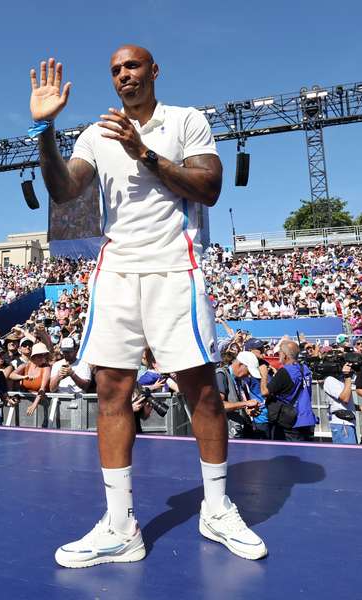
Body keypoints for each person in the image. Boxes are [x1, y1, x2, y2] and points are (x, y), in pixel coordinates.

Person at [31, 46, 265, 567]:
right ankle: (119, 526)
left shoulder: (186, 121)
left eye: (132, 66)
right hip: (115, 269)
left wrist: (144, 153)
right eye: (115, 70)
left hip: (174, 266)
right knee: (112, 390)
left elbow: (208, 188)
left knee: (200, 390)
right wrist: (45, 132)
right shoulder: (95, 134)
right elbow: (65, 191)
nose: (123, 75)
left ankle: (218, 508)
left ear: (153, 71)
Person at [266, 340, 317, 441]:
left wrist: (264, 375)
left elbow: (265, 392)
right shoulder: (305, 369)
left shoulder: (285, 371)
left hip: (291, 422)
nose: (278, 354)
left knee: (288, 455)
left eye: (280, 352)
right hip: (307, 418)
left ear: (285, 355)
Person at [324, 362, 357, 444]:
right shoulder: (330, 380)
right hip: (341, 424)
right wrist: (347, 376)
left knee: (352, 454)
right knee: (347, 455)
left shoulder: (342, 380)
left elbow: (343, 404)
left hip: (347, 423)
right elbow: (345, 398)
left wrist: (360, 407)